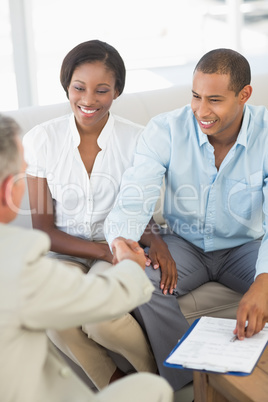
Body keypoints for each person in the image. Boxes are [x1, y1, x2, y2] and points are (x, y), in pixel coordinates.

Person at [105, 48, 268, 391]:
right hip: (185, 244)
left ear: (244, 95)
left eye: (215, 100)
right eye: (195, 96)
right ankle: (191, 388)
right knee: (142, 284)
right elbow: (136, 194)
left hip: (246, 246)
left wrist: (264, 279)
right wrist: (122, 240)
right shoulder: (166, 129)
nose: (201, 110)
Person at [0, 114, 173, 402]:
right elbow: (106, 298)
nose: (27, 170)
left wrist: (153, 240)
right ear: (9, 190)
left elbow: (138, 209)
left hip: (111, 245)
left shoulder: (135, 137)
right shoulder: (19, 259)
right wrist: (129, 263)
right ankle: (132, 383)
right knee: (155, 389)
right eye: (22, 170)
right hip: (85, 253)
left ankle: (146, 376)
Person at [22, 39, 157, 389]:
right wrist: (103, 252)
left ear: (116, 91)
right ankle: (114, 387)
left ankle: (155, 379)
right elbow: (44, 230)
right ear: (67, 86)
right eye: (79, 88)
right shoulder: (42, 140)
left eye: (102, 90)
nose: (88, 100)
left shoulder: (137, 140)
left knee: (101, 319)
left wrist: (124, 247)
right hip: (64, 249)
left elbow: (141, 213)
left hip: (117, 240)